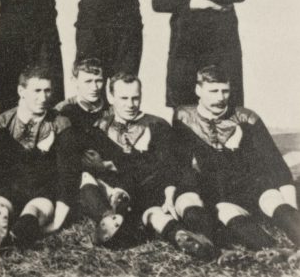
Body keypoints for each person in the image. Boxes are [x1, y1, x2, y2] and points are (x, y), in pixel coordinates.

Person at [70, 72, 217, 259]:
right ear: (111, 97)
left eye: (135, 98)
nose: (130, 104)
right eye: (124, 98)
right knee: (90, 179)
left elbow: (166, 165)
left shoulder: (157, 125)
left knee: (162, 209)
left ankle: (197, 240)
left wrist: (112, 166)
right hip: (122, 197)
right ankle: (109, 219)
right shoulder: (100, 128)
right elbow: (91, 165)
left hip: (153, 189)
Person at [173, 65, 300, 265]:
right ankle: (273, 250)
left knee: (272, 198)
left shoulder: (247, 117)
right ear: (198, 90)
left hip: (255, 188)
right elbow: (181, 164)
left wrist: (292, 210)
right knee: (226, 211)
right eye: (213, 91)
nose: (220, 97)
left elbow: (276, 165)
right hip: (222, 194)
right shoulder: (183, 118)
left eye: (225, 91)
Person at [0, 66, 76, 254]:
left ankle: (12, 238)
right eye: (37, 91)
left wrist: (57, 222)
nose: (43, 97)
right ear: (21, 91)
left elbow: (68, 172)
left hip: (42, 190)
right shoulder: (1, 123)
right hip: (9, 189)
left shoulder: (61, 124)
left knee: (33, 212)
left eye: (47, 90)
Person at [55, 58, 107, 135]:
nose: (94, 87)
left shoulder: (112, 109)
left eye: (98, 81)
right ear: (75, 81)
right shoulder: (61, 111)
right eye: (88, 81)